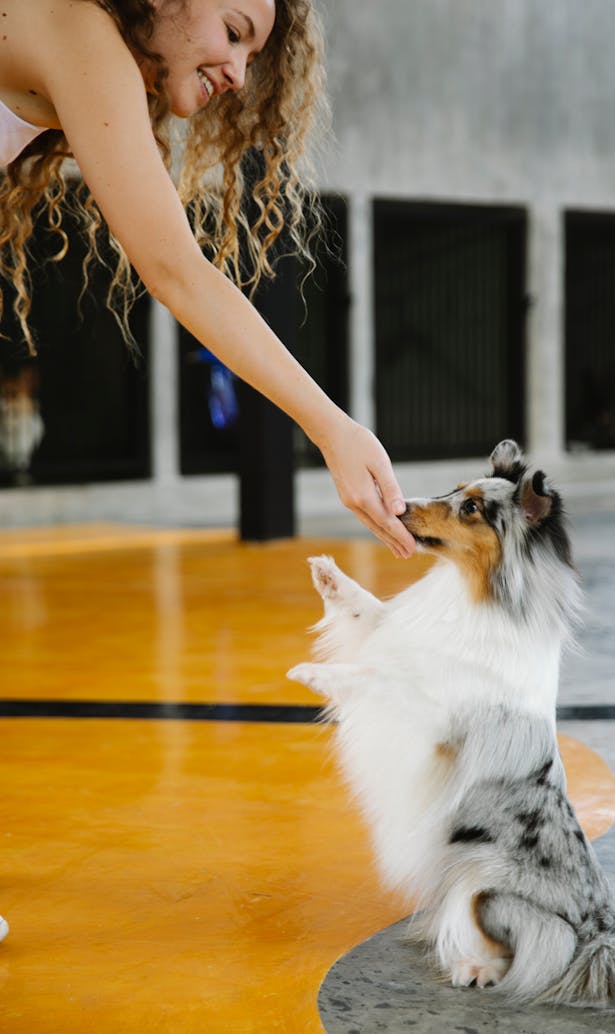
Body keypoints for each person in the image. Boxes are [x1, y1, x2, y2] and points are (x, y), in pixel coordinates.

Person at [0, 0, 417, 944]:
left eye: (253, 51)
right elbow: (175, 268)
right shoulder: (76, 28)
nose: (237, 69)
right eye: (233, 29)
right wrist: (333, 426)